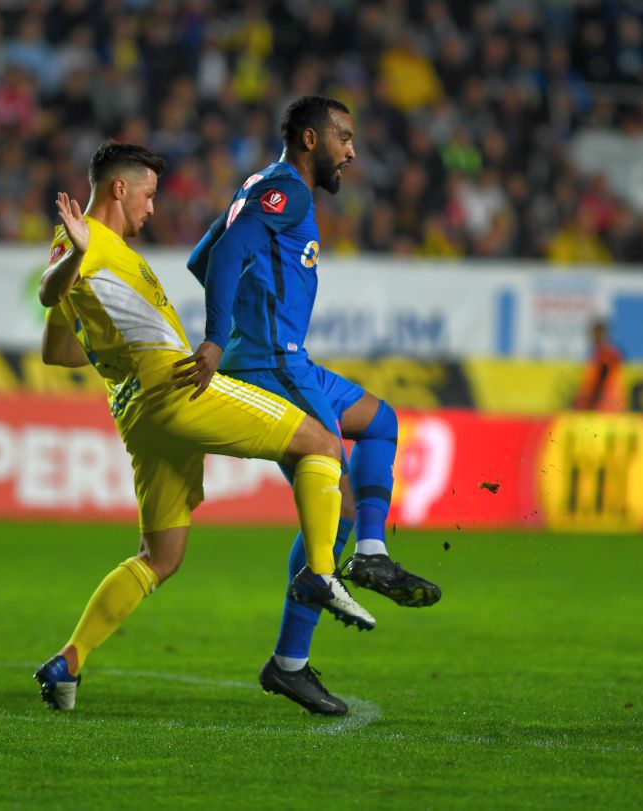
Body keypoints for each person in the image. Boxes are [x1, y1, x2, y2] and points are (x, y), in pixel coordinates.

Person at [32, 140, 376, 711]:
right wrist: (76, 260)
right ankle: (319, 573)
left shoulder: (99, 252)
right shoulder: (86, 240)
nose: (151, 208)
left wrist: (102, 326)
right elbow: (49, 289)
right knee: (320, 442)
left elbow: (59, 351)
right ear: (119, 188)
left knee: (160, 557)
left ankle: (68, 661)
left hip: (136, 411)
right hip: (173, 386)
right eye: (147, 195)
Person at [181, 95, 441, 716]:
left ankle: (370, 558)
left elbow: (200, 258)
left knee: (380, 421)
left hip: (288, 358)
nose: (351, 151)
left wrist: (244, 313)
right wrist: (220, 337)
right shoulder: (288, 193)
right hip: (271, 363)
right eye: (342, 137)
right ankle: (291, 663)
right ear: (309, 139)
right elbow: (224, 256)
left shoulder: (259, 184)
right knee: (337, 505)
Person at [572, 320, 625, 412]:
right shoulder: (601, 353)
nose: (593, 337)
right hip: (605, 405)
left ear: (603, 335)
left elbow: (599, 381)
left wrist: (585, 402)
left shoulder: (605, 354)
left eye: (595, 334)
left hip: (605, 405)